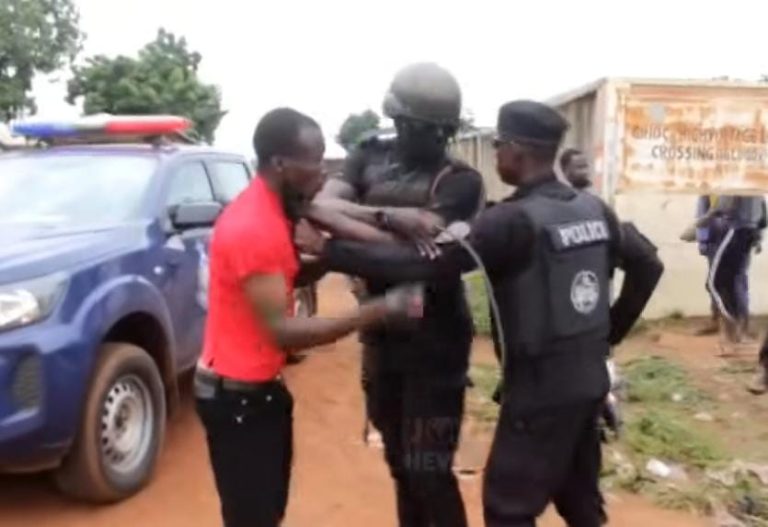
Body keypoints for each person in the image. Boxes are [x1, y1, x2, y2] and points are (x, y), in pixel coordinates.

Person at [299, 100, 664, 527]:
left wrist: (331, 251)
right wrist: (608, 336)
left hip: (538, 393)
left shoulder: (511, 221)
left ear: (516, 151)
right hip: (588, 384)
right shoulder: (592, 208)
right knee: (581, 504)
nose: (496, 154)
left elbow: (427, 265)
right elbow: (648, 265)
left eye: (498, 146)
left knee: (506, 509)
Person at [194, 108, 423, 527]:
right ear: (281, 163)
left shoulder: (274, 206)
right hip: (238, 400)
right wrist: (377, 311)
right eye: (314, 160)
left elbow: (291, 269)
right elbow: (284, 332)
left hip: (257, 392)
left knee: (267, 509)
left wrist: (360, 248)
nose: (322, 170)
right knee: (254, 517)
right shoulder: (254, 226)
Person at [312, 62, 484, 527]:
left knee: (428, 470)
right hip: (380, 334)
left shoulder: (460, 181)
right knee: (397, 462)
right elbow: (320, 206)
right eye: (419, 128)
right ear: (400, 121)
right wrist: (392, 219)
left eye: (439, 132)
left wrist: (334, 250)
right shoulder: (368, 155)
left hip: (437, 344)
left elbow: (425, 261)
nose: (432, 139)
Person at [701, 195, 766, 350]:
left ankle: (734, 327)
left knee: (716, 282)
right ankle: (739, 330)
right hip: (748, 231)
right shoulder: (754, 185)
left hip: (734, 230)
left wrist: (713, 214)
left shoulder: (736, 183)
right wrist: (758, 237)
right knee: (736, 280)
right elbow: (763, 215)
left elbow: (724, 206)